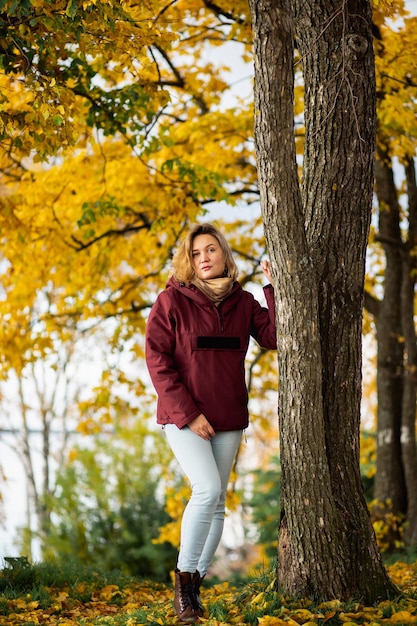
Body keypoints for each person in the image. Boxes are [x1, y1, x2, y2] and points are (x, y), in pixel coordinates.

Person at [145, 223, 276, 623]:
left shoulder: (244, 301)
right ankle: (183, 584)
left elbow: (274, 337)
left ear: (223, 256)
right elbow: (157, 362)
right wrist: (190, 414)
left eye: (211, 250)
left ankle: (195, 589)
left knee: (217, 504)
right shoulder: (170, 302)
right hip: (183, 418)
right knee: (207, 489)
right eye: (197, 252)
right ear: (189, 259)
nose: (204, 257)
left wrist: (275, 290)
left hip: (228, 416)